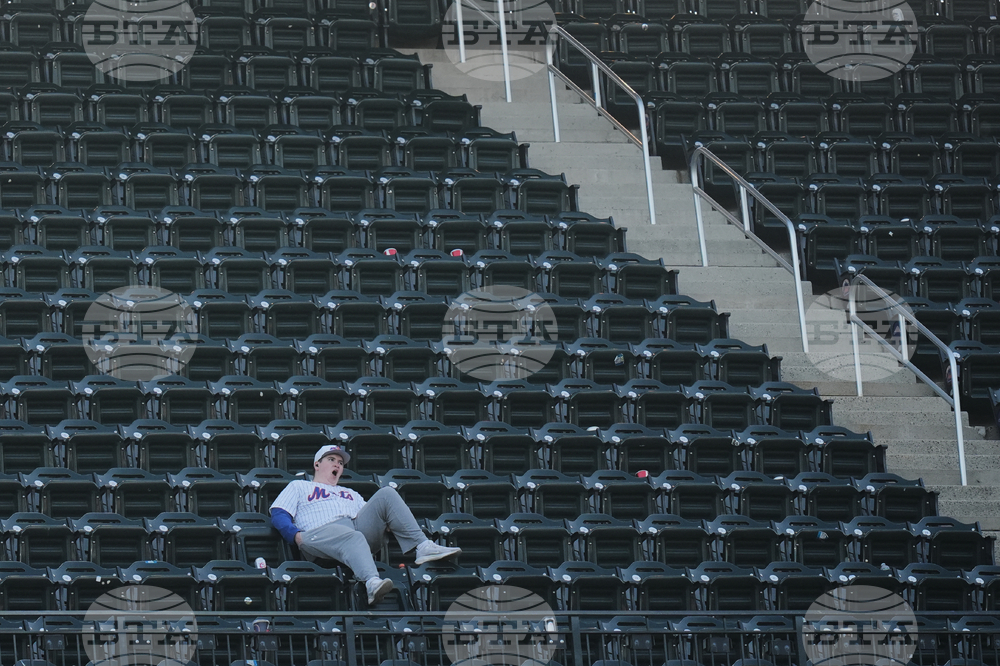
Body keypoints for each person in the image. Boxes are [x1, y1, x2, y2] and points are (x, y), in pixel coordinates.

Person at [269, 444, 462, 605]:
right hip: (318, 535)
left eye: (340, 462)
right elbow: (278, 512)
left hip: (354, 531)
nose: (337, 464)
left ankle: (422, 546)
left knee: (387, 493)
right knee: (352, 535)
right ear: (317, 464)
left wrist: (389, 523)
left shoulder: (350, 493)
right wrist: (294, 535)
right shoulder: (300, 486)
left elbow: (375, 517)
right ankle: (371, 582)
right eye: (331, 460)